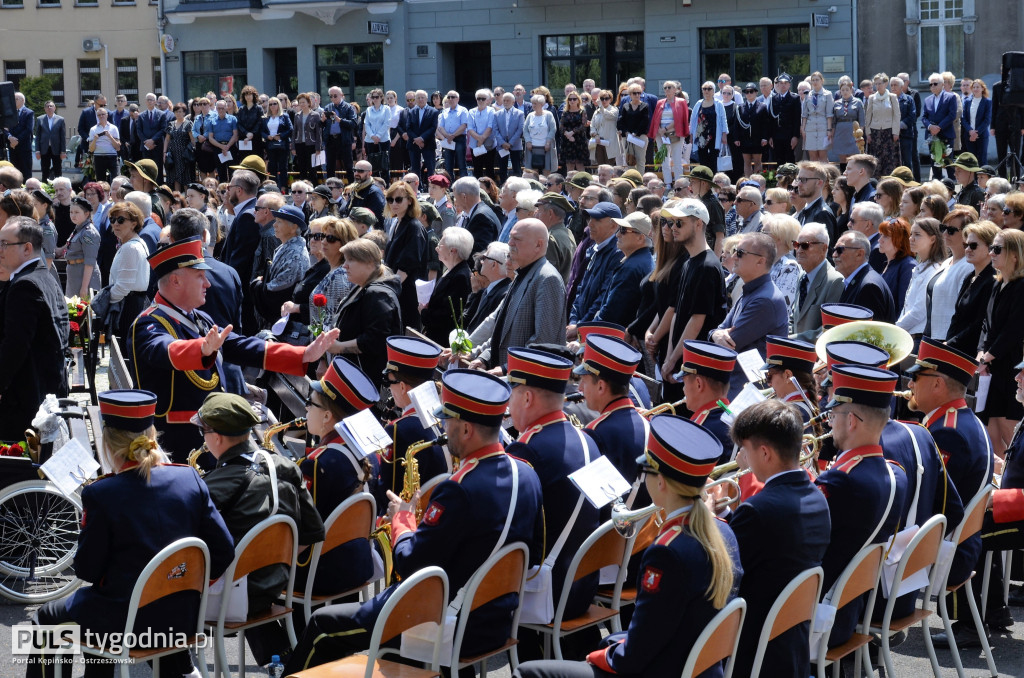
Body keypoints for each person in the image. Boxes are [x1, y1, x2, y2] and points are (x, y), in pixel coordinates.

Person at [284, 369, 544, 674]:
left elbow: (409, 563)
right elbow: (533, 556)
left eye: (448, 420)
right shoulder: (527, 473)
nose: (443, 427)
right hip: (496, 620)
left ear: (466, 430)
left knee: (322, 625)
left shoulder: (459, 489)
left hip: (445, 623)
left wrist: (403, 519)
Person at [25, 389, 234, 678]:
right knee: (101, 608)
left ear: (108, 441)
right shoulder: (189, 478)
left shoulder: (102, 493)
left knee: (47, 617)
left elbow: (87, 570)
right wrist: (185, 582)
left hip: (128, 623)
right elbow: (224, 549)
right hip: (183, 616)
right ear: (152, 433)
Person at [514, 413, 742, 678]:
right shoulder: (724, 532)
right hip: (699, 669)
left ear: (661, 482)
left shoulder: (667, 552)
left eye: (646, 470)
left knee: (527, 672)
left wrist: (603, 654)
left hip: (660, 669)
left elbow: (635, 656)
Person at [129, 236, 338, 461]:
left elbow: (239, 346)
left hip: (209, 433)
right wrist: (201, 349)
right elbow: (163, 349)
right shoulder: (148, 323)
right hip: (180, 441)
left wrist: (303, 354)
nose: (207, 283)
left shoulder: (198, 317)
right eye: (200, 277)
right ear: (176, 282)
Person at [194, 391, 325, 666]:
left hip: (233, 599)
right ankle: (286, 661)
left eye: (203, 431)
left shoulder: (215, 483)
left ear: (216, 437)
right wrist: (271, 560)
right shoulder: (287, 466)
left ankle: (180, 668)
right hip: (276, 583)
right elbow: (312, 532)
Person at [506, 346, 602, 657]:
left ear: (527, 398)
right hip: (585, 584)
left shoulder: (527, 450)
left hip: (546, 594)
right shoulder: (588, 439)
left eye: (512, 393)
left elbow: (512, 535)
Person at [727, 399, 830, 678]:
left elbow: (721, 576)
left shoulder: (757, 511)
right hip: (791, 644)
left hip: (749, 647)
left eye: (744, 451)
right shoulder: (818, 499)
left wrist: (708, 520)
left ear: (764, 452)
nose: (741, 460)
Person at [905, 338, 995, 645]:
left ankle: (867, 632)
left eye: (916, 377)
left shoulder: (946, 431)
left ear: (938, 385)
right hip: (960, 544)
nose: (910, 383)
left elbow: (930, 506)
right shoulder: (965, 421)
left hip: (947, 554)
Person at [817, 364, 908, 649]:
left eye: (833, 415)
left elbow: (794, 543)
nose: (829, 422)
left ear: (852, 421)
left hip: (818, 619)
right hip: (848, 612)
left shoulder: (840, 482)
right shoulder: (896, 474)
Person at [296, 356, 379, 596]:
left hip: (320, 575)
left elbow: (302, 530)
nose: (306, 408)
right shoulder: (369, 455)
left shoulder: (318, 463)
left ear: (327, 417)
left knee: (247, 582)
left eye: (310, 402)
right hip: (356, 564)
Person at [0, 217, 69, 439]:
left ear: (27, 248)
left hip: (27, 400)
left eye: (4, 244)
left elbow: (14, 346)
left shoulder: (25, 285)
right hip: (45, 391)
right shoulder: (43, 276)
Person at [469, 219, 566, 372]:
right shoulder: (522, 274)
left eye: (517, 239)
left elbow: (543, 343)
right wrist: (484, 358)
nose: (510, 243)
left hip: (527, 385)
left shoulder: (547, 279)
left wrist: (505, 369)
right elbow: (502, 331)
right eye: (510, 238)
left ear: (538, 245)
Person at [709, 232, 789, 396]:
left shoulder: (764, 300)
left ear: (761, 260)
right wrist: (715, 335)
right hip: (736, 386)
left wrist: (715, 335)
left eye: (740, 253)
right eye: (734, 251)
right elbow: (719, 331)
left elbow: (727, 346)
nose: (734, 257)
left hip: (747, 393)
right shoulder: (752, 291)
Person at [574, 334, 650, 506]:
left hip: (615, 530)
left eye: (584, 381)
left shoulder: (595, 433)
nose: (579, 388)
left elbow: (590, 504)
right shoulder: (648, 424)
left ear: (601, 386)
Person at [375, 337, 448, 512]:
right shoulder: (446, 418)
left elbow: (385, 493)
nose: (389, 389)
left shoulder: (398, 430)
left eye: (390, 382)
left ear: (402, 387)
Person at [331, 238, 403, 382]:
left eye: (350, 260)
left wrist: (339, 347)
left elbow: (375, 340)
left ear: (369, 262)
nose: (344, 266)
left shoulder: (378, 294)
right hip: (355, 374)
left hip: (366, 379)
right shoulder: (363, 286)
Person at [977, 228, 1024, 451]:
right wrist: (981, 353)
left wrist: (987, 356)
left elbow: (1014, 329)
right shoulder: (997, 284)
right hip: (993, 366)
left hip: (1011, 368)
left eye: (997, 249)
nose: (991, 253)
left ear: (1015, 255)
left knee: (1010, 430)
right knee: (990, 431)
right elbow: (986, 325)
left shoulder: (1021, 286)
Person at [674, 340, 736, 458]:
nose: (683, 389)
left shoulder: (698, 432)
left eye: (684, 383)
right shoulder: (735, 418)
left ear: (698, 384)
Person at [251, 205, 309, 329]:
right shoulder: (286, 247)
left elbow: (278, 290)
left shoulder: (295, 254)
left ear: (294, 227)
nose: (274, 225)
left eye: (279, 222)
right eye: (275, 221)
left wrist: (257, 284)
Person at [102, 201, 151, 345]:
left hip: (128, 307)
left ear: (134, 223)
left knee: (124, 352)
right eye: (112, 219)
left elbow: (123, 286)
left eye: (121, 220)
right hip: (130, 303)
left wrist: (104, 301)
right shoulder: (133, 244)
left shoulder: (131, 247)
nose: (115, 224)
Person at [381, 181, 428, 331]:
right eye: (390, 199)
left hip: (407, 294)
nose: (394, 203)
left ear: (409, 200)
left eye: (399, 199)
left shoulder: (414, 227)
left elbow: (407, 266)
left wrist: (388, 292)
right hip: (396, 290)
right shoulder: (397, 223)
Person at [946, 220, 997, 353]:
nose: (968, 249)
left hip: (972, 353)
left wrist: (951, 343)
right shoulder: (970, 277)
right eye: (966, 245)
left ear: (990, 248)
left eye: (973, 246)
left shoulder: (992, 280)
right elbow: (957, 316)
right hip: (955, 349)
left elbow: (979, 323)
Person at [421, 226, 473, 345]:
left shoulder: (461, 277)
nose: (436, 248)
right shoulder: (452, 270)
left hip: (442, 343)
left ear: (452, 251)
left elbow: (448, 316)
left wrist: (424, 313)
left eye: (440, 246)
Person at [791, 222, 844, 341]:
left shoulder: (835, 281)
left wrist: (791, 339)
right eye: (796, 244)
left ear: (823, 248)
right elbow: (794, 317)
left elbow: (829, 329)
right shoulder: (802, 275)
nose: (799, 250)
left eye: (805, 245)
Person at [834, 230, 896, 323]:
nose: (834, 255)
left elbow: (870, 333)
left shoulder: (869, 287)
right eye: (834, 250)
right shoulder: (857, 280)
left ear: (859, 254)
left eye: (839, 250)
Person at [649, 81, 690, 187]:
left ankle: (678, 183)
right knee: (664, 160)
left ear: (675, 89)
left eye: (669, 87)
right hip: (661, 135)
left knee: (677, 159)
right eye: (665, 87)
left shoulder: (681, 102)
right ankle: (667, 183)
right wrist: (659, 130)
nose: (667, 89)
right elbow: (655, 118)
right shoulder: (660, 102)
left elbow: (681, 118)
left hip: (675, 133)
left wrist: (666, 128)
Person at [62, 196, 102, 299]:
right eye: (71, 212)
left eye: (76, 212)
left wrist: (84, 287)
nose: (73, 215)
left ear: (87, 213)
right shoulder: (78, 229)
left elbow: (90, 261)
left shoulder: (88, 232)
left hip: (84, 276)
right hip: (74, 275)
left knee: (84, 311)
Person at [922, 72, 959, 178]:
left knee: (948, 163)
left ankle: (952, 186)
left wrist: (939, 127)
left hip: (946, 134)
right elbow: (924, 117)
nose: (932, 86)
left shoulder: (950, 97)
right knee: (935, 164)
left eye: (935, 84)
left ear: (942, 84)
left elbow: (952, 115)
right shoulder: (927, 99)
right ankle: (937, 187)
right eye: (930, 84)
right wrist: (930, 127)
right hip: (932, 136)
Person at [864, 73, 902, 177]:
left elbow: (896, 115)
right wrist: (868, 133)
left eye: (880, 83)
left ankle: (888, 180)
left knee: (889, 159)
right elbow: (868, 116)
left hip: (888, 131)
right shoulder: (872, 98)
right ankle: (875, 181)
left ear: (886, 84)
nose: (878, 86)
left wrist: (895, 131)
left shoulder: (892, 97)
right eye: (876, 84)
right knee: (876, 159)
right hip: (875, 132)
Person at [322, 86, 357, 183]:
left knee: (348, 166)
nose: (333, 98)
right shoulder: (328, 107)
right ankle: (330, 188)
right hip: (330, 139)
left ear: (341, 95)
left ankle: (351, 187)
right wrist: (323, 120)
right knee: (330, 166)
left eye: (335, 96)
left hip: (344, 139)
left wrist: (339, 120)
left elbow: (353, 123)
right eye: (331, 96)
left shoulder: (348, 107)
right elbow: (321, 125)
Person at [402, 90, 439, 181]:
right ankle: (417, 189)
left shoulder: (433, 111)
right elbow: (408, 128)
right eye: (418, 98)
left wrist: (422, 138)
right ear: (415, 99)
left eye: (422, 97)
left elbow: (433, 127)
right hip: (414, 143)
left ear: (426, 99)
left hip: (428, 143)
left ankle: (431, 186)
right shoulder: (411, 111)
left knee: (430, 168)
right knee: (415, 169)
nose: (420, 99)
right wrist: (416, 139)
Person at [162, 102, 194, 192]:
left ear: (184, 112)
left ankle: (187, 198)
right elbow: (167, 139)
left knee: (185, 177)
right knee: (175, 177)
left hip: (184, 155)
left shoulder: (188, 124)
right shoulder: (171, 124)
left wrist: (191, 152)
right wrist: (164, 153)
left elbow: (192, 140)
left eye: (180, 111)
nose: (178, 113)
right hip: (173, 155)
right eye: (176, 111)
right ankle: (177, 198)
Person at [961, 79, 992, 166]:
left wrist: (976, 133)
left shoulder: (987, 102)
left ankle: (983, 179)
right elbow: (963, 119)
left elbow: (987, 120)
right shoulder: (967, 101)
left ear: (982, 88)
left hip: (981, 135)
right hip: (969, 135)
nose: (975, 89)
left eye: (978, 87)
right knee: (972, 161)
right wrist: (970, 131)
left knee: (982, 160)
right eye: (974, 87)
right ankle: (973, 179)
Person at [34, 100, 66, 182]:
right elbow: (38, 136)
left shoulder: (60, 120)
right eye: (47, 106)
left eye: (51, 106)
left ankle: (59, 187)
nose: (49, 108)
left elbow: (63, 137)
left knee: (58, 170)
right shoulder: (40, 119)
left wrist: (63, 151)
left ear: (54, 108)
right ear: (44, 109)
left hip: (56, 149)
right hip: (44, 149)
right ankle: (45, 189)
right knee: (45, 171)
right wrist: (37, 150)